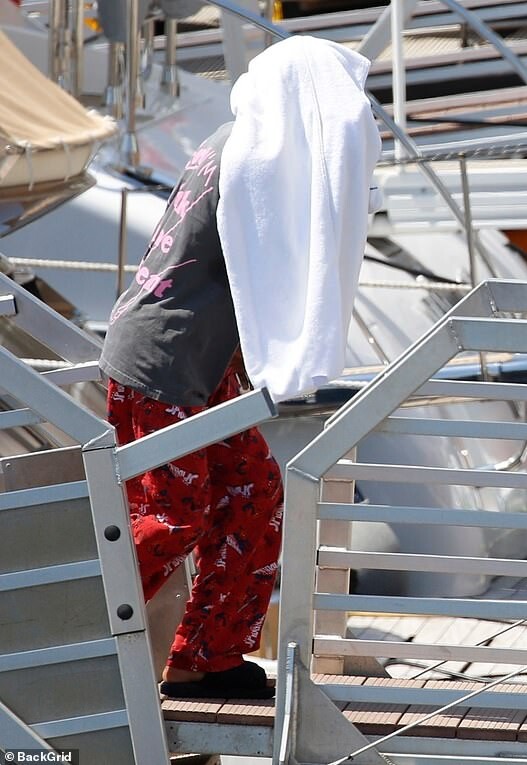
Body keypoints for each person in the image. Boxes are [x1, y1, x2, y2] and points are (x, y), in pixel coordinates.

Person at [100, 36, 381, 699]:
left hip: (196, 362)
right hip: (163, 361)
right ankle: (69, 632)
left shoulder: (247, 139)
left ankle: (206, 658)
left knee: (254, 491)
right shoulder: (256, 155)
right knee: (171, 515)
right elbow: (286, 258)